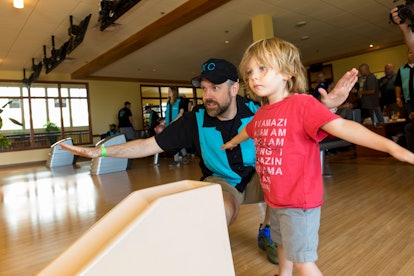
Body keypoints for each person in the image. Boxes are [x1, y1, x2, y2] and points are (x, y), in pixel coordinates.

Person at [58, 58, 359, 266]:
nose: (208, 95)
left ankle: (267, 230)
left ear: (234, 88)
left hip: (260, 177)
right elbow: (150, 145)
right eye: (204, 88)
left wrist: (325, 105)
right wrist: (103, 152)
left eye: (215, 88)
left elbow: (300, 115)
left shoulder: (258, 108)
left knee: (278, 186)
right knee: (220, 211)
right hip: (222, 180)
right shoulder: (194, 121)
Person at [221, 37, 414, 276]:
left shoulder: (303, 105)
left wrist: (392, 148)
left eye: (262, 68)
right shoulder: (262, 113)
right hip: (276, 200)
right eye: (250, 71)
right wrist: (231, 142)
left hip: (298, 203)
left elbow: (343, 127)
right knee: (282, 243)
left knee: (302, 260)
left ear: (287, 73)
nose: (254, 76)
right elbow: (247, 132)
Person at [395, 50, 414, 152]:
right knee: (410, 125)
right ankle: (411, 152)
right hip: (408, 101)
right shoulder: (402, 69)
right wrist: (398, 98)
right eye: (410, 52)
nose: (412, 54)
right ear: (407, 54)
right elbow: (398, 85)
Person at [166, 86, 189, 167]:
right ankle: (184, 155)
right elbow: (167, 114)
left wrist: (173, 121)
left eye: (169, 90)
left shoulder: (180, 101)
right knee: (176, 142)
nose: (168, 92)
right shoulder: (168, 102)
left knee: (175, 142)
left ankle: (176, 160)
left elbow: (181, 113)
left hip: (178, 124)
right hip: (169, 125)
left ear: (173, 92)